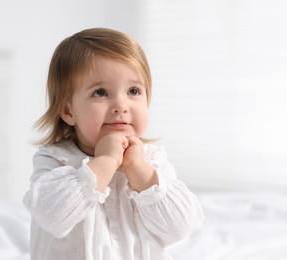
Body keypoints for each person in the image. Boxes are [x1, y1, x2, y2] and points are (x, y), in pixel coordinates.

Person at [23, 27, 204, 260]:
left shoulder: (152, 160)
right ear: (68, 111)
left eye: (133, 91)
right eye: (100, 92)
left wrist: (141, 173)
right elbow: (51, 215)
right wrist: (105, 162)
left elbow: (180, 228)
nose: (121, 105)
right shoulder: (55, 159)